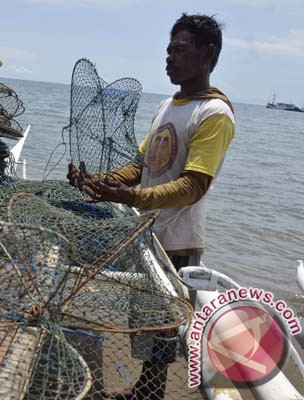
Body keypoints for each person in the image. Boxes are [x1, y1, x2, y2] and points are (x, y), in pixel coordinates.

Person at [68, 13, 235, 399]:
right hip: (148, 233)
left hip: (178, 242)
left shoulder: (214, 114)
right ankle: (143, 391)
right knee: (144, 325)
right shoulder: (166, 105)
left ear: (208, 53)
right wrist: (100, 181)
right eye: (168, 50)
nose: (169, 58)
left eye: (179, 49)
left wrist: (130, 198)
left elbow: (194, 186)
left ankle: (148, 394)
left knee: (161, 333)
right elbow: (140, 166)